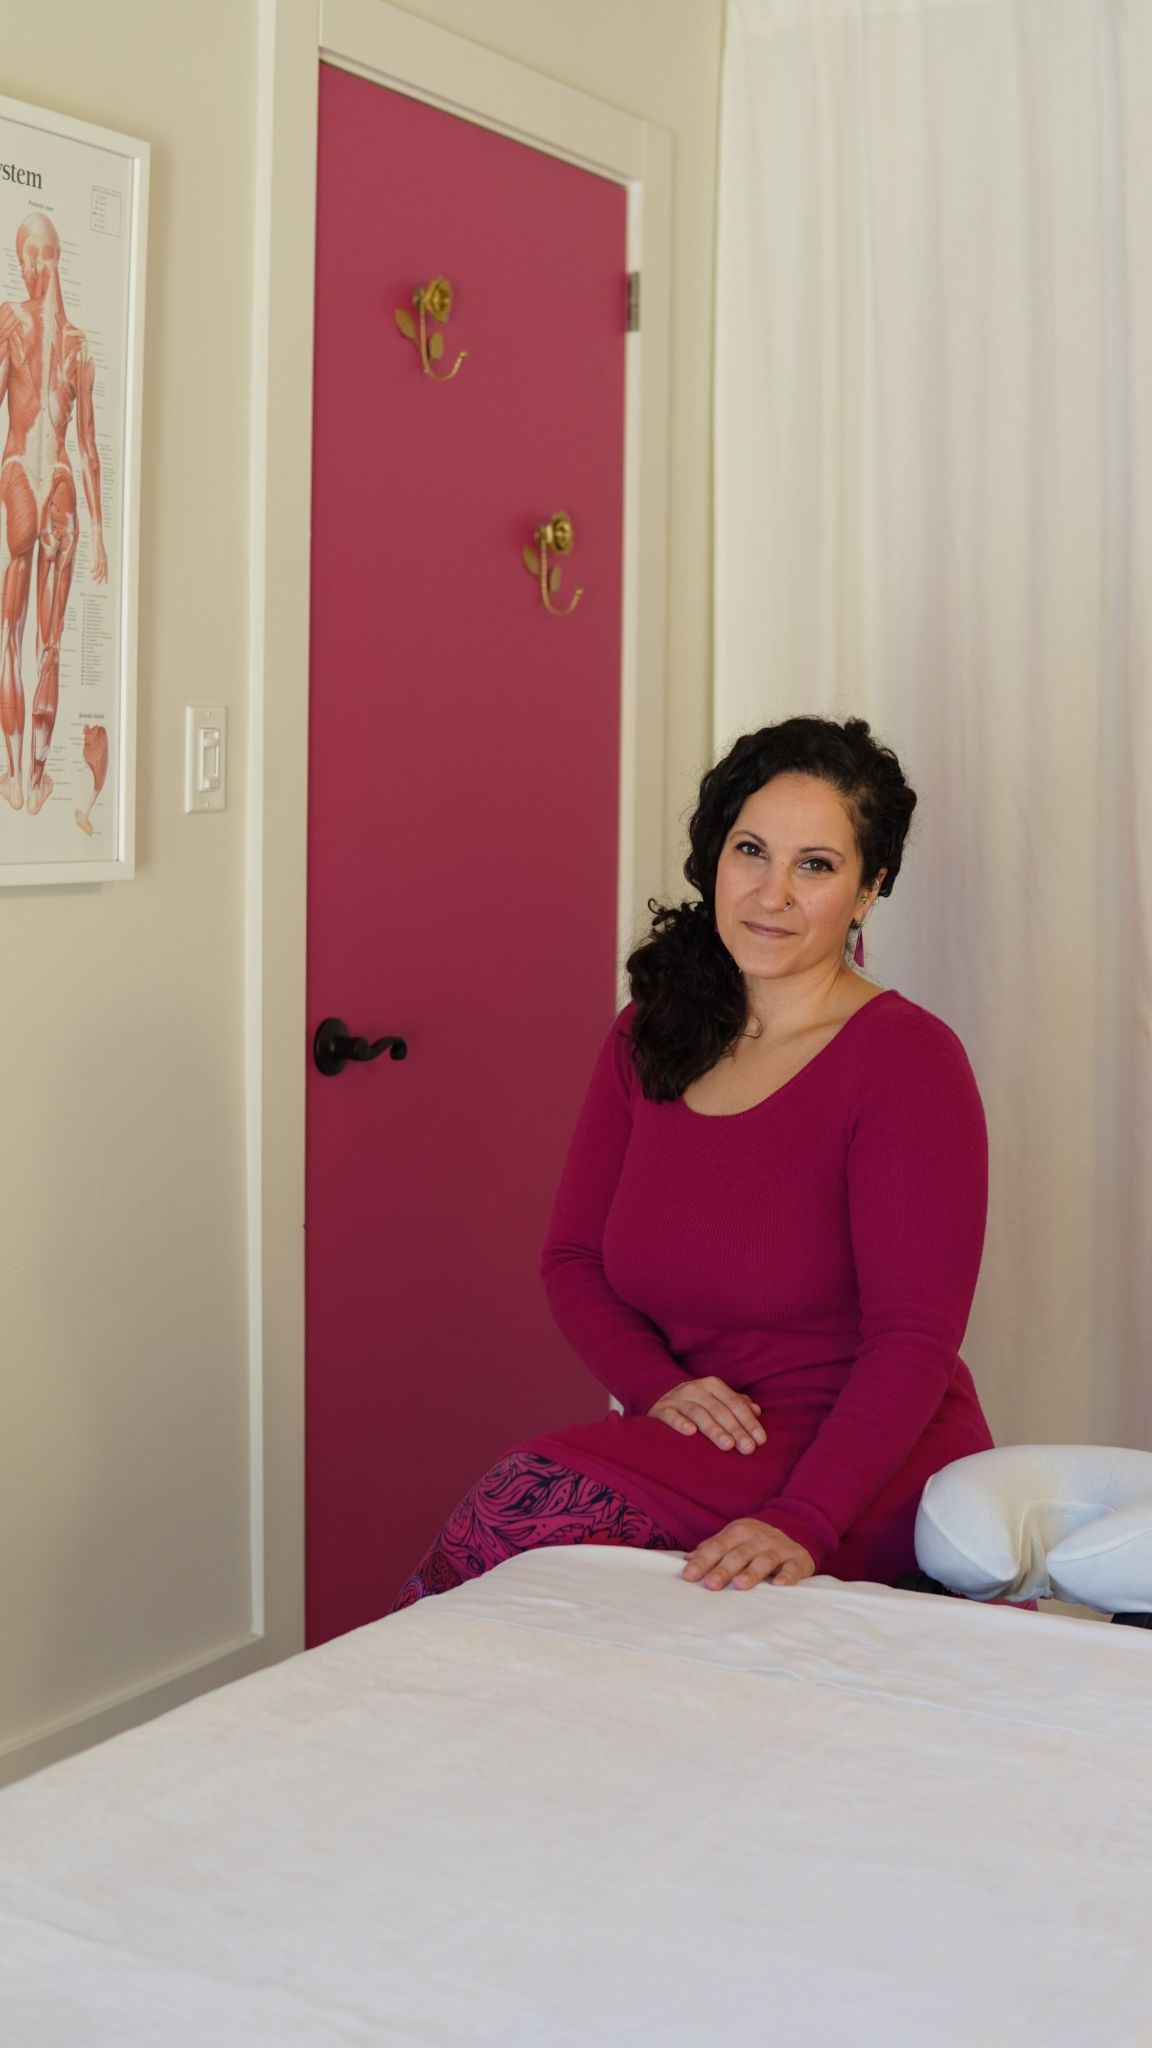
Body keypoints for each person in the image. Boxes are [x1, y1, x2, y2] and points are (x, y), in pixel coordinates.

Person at [393, 715, 993, 1606]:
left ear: (869, 890)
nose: (772, 892)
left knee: (519, 1508)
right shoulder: (649, 1036)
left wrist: (803, 1521)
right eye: (752, 850)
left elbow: (913, 1343)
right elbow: (575, 1260)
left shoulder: (909, 1061)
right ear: (715, 853)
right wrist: (658, 1386)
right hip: (701, 1443)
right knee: (506, 1539)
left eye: (815, 866)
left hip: (859, 1460)